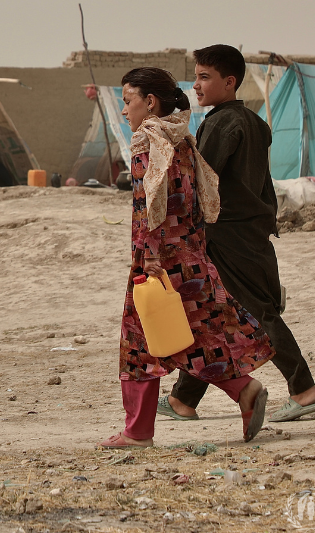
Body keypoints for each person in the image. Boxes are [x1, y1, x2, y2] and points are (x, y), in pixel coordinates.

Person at [99, 67, 273, 448]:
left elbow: (151, 205)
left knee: (141, 342)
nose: (125, 111)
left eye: (128, 102)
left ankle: (138, 430)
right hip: (190, 253)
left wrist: (146, 256)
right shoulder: (180, 139)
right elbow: (194, 201)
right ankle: (244, 390)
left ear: (150, 102)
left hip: (157, 259)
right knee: (195, 336)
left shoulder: (148, 142)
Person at [161, 45, 315, 425]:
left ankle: (304, 391)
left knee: (257, 314)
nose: (196, 86)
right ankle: (183, 400)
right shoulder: (254, 122)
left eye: (205, 77)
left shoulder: (220, 124)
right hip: (252, 233)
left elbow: (201, 183)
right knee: (213, 317)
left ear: (229, 82)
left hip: (228, 237)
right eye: (196, 76)